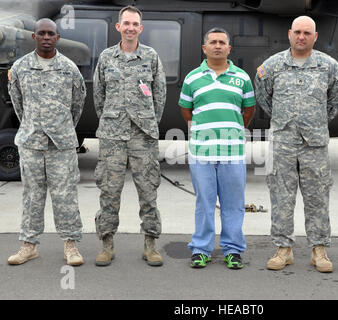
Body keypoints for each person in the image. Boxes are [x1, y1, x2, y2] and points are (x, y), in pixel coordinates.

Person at [254, 16, 338, 273]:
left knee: (317, 196)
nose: (301, 36)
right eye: (297, 32)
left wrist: (314, 123)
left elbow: (335, 101)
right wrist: (286, 121)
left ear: (315, 37)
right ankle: (283, 248)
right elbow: (263, 97)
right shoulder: (272, 66)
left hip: (314, 144)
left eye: (307, 33)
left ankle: (319, 249)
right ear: (289, 34)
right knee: (281, 196)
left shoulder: (329, 67)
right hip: (283, 142)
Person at [7, 18, 86, 266]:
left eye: (51, 33)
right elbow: (18, 104)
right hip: (31, 142)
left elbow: (78, 104)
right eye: (41, 33)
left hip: (61, 144)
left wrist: (61, 128)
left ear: (57, 38)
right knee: (32, 195)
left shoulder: (69, 68)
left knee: (66, 195)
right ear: (34, 37)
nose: (46, 37)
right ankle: (29, 245)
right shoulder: (20, 68)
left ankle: (70, 246)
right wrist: (33, 125)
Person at [93, 5, 166, 267]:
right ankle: (106, 243)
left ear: (141, 28)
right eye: (126, 23)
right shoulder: (106, 57)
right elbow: (98, 96)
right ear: (118, 27)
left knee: (148, 190)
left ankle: (150, 243)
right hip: (112, 135)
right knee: (109, 191)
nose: (131, 28)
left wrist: (149, 121)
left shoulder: (151, 56)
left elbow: (160, 94)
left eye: (135, 24)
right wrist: (112, 119)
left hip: (143, 136)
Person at [179, 27, 255, 269]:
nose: (218, 45)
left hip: (232, 153)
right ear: (205, 48)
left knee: (233, 204)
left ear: (229, 48)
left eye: (222, 42)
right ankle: (201, 249)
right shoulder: (192, 78)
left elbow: (249, 109)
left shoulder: (242, 77)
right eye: (213, 42)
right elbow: (186, 110)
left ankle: (233, 250)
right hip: (202, 153)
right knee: (205, 203)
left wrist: (232, 130)